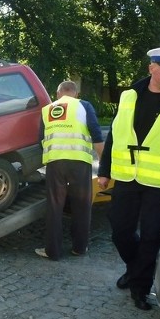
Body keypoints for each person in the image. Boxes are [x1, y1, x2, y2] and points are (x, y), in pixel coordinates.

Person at [97, 46, 160, 311]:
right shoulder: (128, 96)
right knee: (120, 231)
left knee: (152, 236)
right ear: (151, 68)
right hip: (127, 178)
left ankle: (140, 287)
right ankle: (135, 269)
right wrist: (105, 171)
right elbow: (115, 136)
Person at [35, 80, 104, 260]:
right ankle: (79, 248)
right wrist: (103, 165)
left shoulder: (47, 109)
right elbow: (96, 135)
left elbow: (40, 140)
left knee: (54, 207)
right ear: (75, 94)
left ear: (57, 94)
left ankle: (53, 251)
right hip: (80, 162)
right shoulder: (84, 106)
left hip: (55, 163)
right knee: (81, 206)